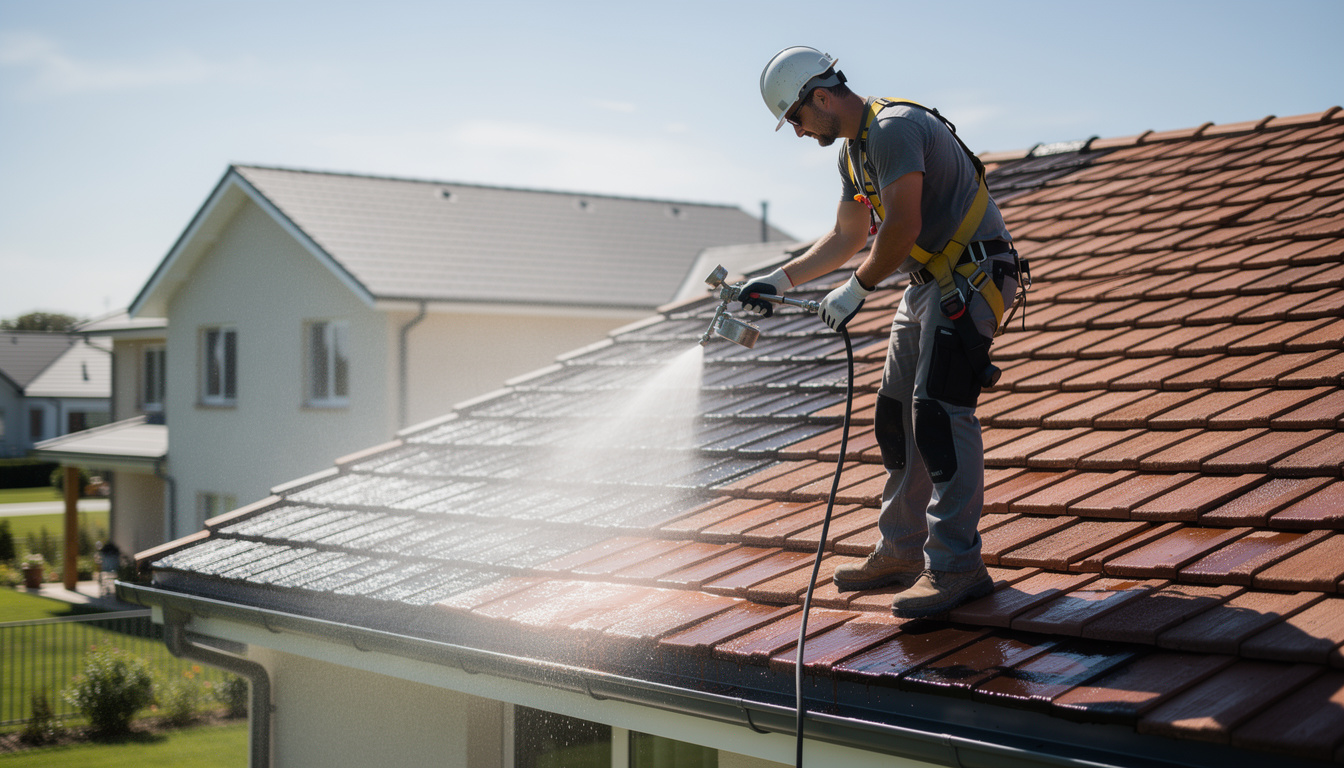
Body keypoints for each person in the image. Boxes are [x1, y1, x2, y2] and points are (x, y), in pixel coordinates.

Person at [743, 46, 1022, 619]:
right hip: (928, 283)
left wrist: (855, 291)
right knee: (896, 415)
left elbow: (903, 225)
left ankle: (957, 566)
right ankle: (900, 552)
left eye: (795, 118)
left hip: (972, 274)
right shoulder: (853, 153)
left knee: (940, 414)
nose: (797, 132)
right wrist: (780, 279)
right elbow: (849, 236)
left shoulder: (894, 130)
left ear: (820, 97)